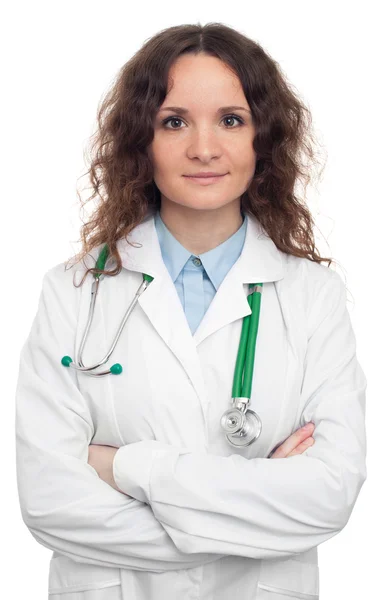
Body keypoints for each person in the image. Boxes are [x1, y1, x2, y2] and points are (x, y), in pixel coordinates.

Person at [15, 22, 367, 600]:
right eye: (173, 121)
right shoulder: (75, 292)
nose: (204, 148)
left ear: (263, 138)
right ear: (140, 139)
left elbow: (327, 500)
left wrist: (129, 468)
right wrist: (256, 511)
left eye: (231, 120)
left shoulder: (313, 297)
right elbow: (51, 504)